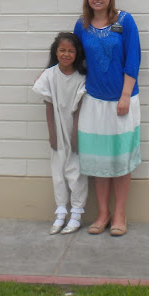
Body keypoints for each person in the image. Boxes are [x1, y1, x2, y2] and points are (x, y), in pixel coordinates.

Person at [74, 0, 141, 237]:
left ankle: (120, 214)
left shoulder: (125, 21)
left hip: (122, 101)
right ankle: (103, 214)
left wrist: (124, 96)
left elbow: (133, 59)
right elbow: (72, 58)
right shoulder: (82, 25)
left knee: (120, 159)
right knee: (99, 161)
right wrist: (48, 75)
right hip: (94, 102)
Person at [33, 32, 88, 235]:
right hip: (58, 128)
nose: (66, 54)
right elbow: (48, 106)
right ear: (55, 52)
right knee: (58, 171)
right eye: (62, 50)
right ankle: (61, 212)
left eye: (71, 51)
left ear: (77, 53)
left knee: (76, 172)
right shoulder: (49, 75)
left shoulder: (82, 77)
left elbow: (80, 107)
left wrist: (75, 134)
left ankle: (76, 214)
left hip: (76, 129)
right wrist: (52, 134)